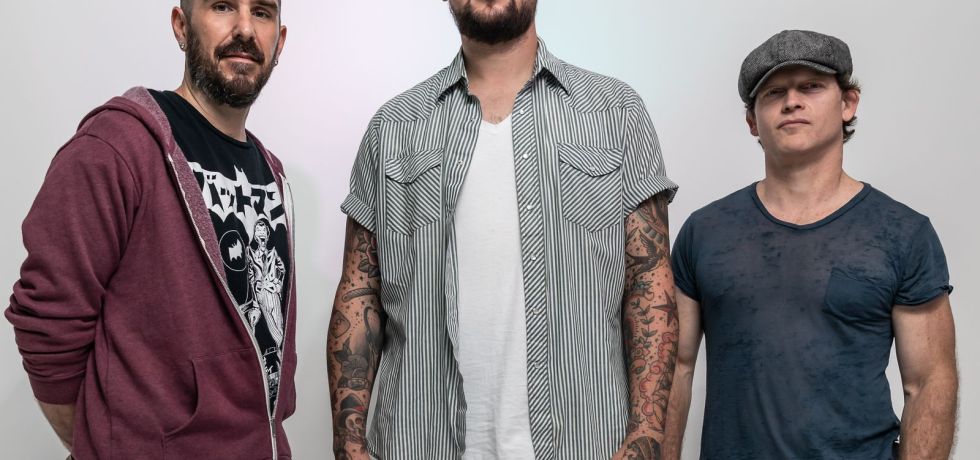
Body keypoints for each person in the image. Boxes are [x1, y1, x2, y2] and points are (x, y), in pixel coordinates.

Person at [329, 1, 679, 458]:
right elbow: (359, 291)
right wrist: (349, 445)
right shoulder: (393, 128)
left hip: (586, 443)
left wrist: (644, 439)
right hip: (418, 443)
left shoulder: (616, 113)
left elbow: (649, 282)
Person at [5, 1, 297, 458]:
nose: (245, 28)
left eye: (261, 12)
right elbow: (47, 326)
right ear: (182, 26)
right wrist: (102, 445)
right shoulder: (117, 147)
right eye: (222, 6)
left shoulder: (271, 172)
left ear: (279, 42)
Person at [666, 30, 958, 459]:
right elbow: (675, 369)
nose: (792, 102)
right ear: (752, 121)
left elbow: (930, 381)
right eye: (774, 92)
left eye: (811, 86)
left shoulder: (904, 232)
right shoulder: (704, 232)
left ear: (848, 103)